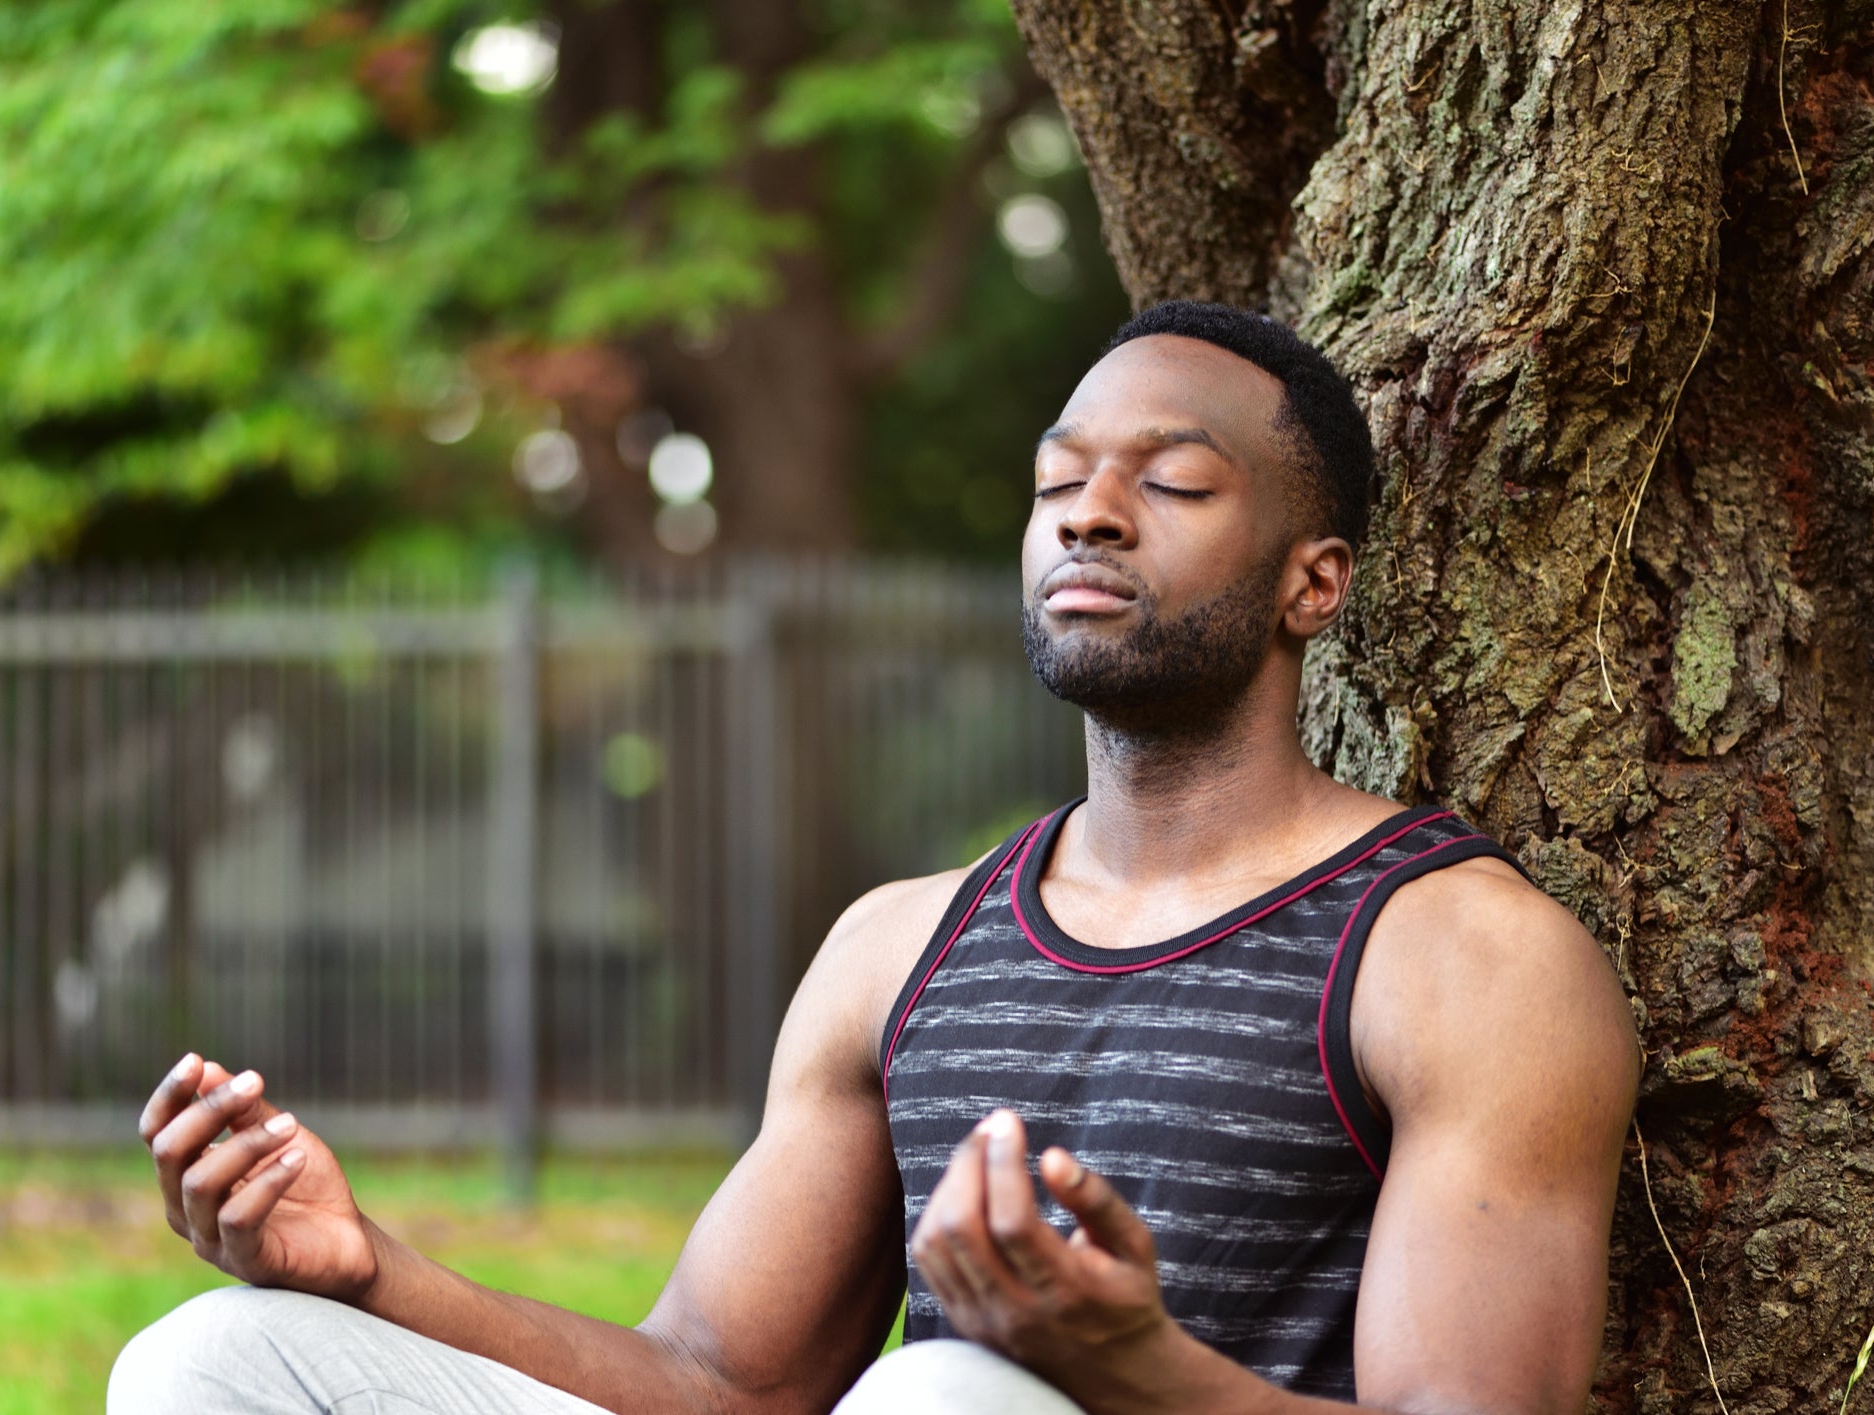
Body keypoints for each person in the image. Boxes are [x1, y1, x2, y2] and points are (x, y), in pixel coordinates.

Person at [110, 300, 1639, 1415]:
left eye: (1169, 485)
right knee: (213, 1361)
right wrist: (367, 1264)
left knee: (949, 1401)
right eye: (1055, 487)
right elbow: (722, 1382)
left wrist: (1131, 1370)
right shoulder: (902, 943)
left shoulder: (1461, 957)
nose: (1090, 516)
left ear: (1314, 584)